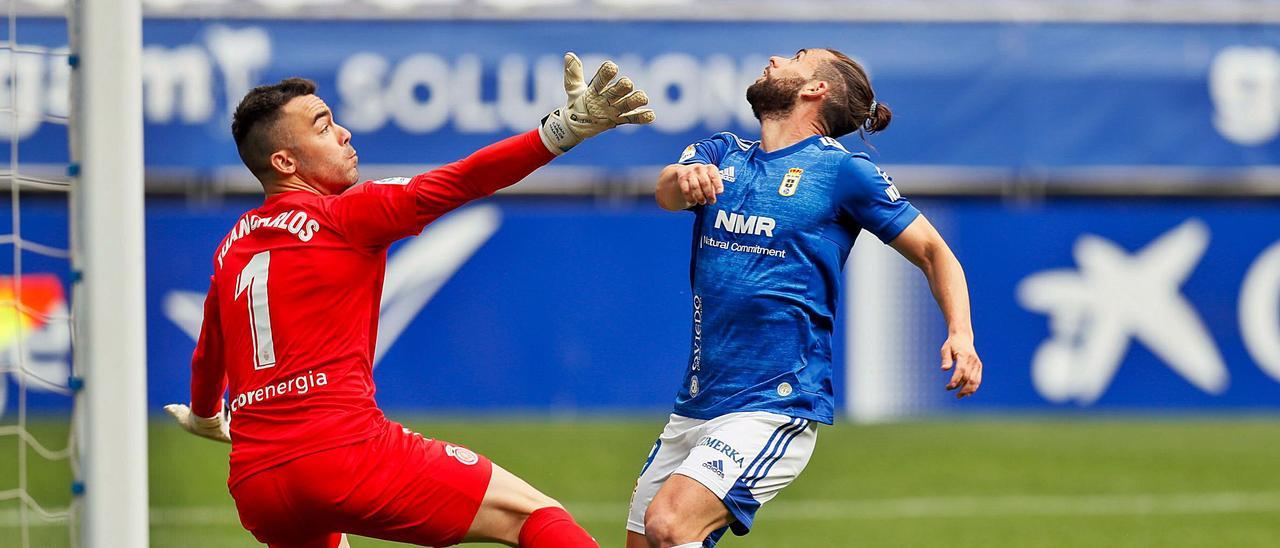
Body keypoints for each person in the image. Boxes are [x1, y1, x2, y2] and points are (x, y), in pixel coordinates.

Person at [162, 52, 653, 548]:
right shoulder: (346, 216)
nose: (344, 133)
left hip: (258, 485)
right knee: (532, 516)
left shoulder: (232, 247)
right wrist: (562, 129)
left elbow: (209, 353)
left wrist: (206, 417)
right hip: (343, 453)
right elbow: (464, 179)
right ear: (285, 161)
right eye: (323, 126)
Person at [626, 48, 984, 548]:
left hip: (775, 403)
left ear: (815, 90)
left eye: (796, 58)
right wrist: (681, 177)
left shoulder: (842, 173)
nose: (774, 58)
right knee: (646, 541)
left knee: (670, 525)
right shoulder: (721, 153)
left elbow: (933, 251)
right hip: (697, 403)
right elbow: (667, 192)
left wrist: (961, 335)